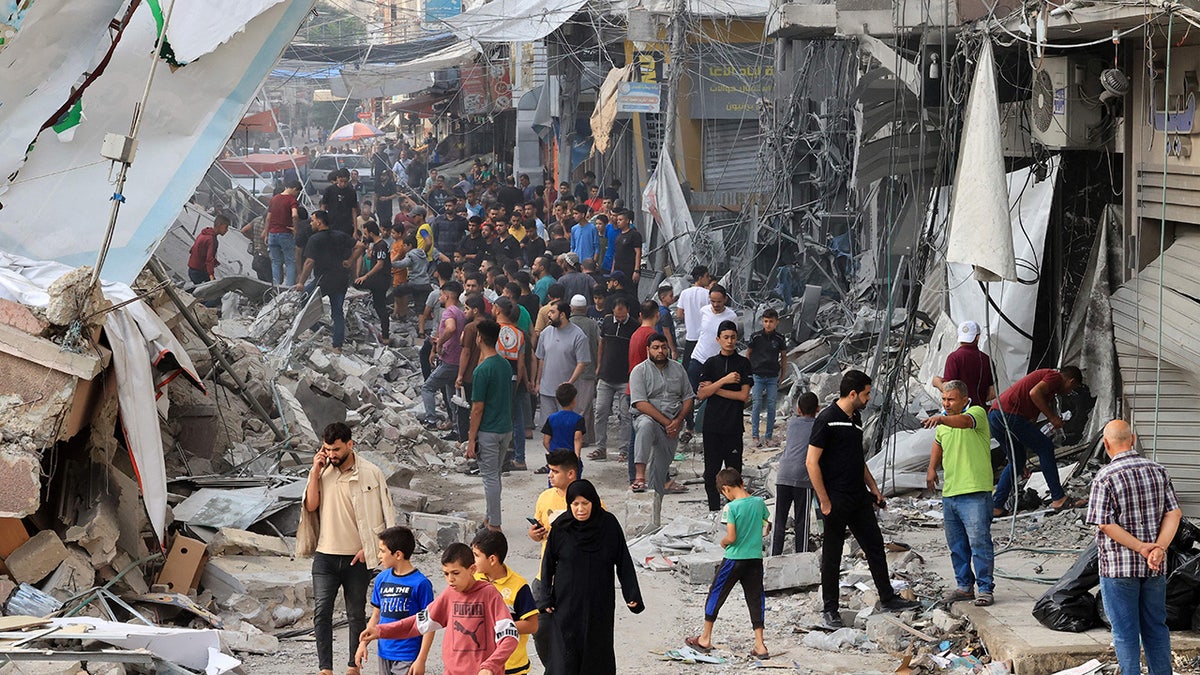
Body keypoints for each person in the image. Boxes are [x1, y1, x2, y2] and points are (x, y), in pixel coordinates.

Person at [807, 370, 920, 628]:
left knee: (875, 547)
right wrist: (824, 500)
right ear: (853, 393)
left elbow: (858, 461)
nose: (869, 399)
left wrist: (875, 490)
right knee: (832, 556)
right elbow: (811, 462)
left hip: (858, 496)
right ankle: (830, 610)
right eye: (867, 393)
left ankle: (887, 597)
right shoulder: (827, 419)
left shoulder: (856, 419)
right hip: (835, 498)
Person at [298, 422, 396, 675]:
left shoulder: (371, 473)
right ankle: (325, 669)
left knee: (355, 615)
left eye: (337, 449)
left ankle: (354, 666)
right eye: (327, 449)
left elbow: (387, 515)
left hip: (357, 559)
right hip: (325, 556)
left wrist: (373, 549)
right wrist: (313, 471)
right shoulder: (322, 471)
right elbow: (310, 506)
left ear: (350, 445)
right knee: (321, 613)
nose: (332, 454)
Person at [1087, 419, 1182, 675]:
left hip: (1119, 570)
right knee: (1156, 628)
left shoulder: (1105, 477)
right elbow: (1174, 513)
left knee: (1125, 633)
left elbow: (1105, 524)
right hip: (1155, 567)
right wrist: (1159, 548)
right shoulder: (1158, 470)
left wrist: (1141, 547)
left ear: (1106, 444)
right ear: (1133, 440)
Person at [358, 543, 519, 675]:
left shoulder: (490, 594)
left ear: (472, 569)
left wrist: (490, 666)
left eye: (455, 573)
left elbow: (510, 637)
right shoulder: (450, 594)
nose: (450, 579)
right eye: (446, 574)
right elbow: (418, 623)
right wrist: (381, 631)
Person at [539, 480, 644, 674]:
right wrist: (545, 596)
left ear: (594, 502)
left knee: (597, 650)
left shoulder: (609, 525)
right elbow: (547, 564)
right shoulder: (561, 528)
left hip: (599, 602)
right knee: (565, 654)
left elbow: (623, 561)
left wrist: (632, 594)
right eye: (575, 504)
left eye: (585, 503)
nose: (580, 509)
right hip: (566, 603)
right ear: (569, 504)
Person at [923, 380, 996, 606]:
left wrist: (941, 418)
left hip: (974, 490)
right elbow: (938, 442)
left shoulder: (976, 413)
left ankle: (985, 588)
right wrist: (931, 467)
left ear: (965, 399)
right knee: (956, 545)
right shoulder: (945, 421)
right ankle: (964, 586)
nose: (946, 404)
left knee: (979, 542)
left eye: (951, 399)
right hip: (951, 491)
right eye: (944, 400)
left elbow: (965, 422)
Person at [685, 468, 771, 659]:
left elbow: (731, 537)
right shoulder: (758, 502)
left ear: (726, 489)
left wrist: (722, 542)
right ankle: (760, 645)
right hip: (755, 559)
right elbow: (767, 523)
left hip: (734, 559)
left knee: (716, 593)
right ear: (741, 482)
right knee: (755, 598)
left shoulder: (730, 508)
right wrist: (762, 532)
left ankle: (705, 638)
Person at [990, 366, 1084, 516]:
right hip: (1009, 414)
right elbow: (1034, 393)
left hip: (996, 415)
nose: (1068, 392)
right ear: (1071, 381)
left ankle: (996, 505)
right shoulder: (1054, 377)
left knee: (1017, 460)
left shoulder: (1050, 390)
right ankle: (1058, 498)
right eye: (1071, 388)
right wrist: (1053, 418)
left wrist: (1027, 447)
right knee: (1045, 447)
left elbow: (1030, 421)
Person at [354, 526, 435, 675]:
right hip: (384, 652)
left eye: (382, 551)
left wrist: (421, 659)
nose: (379, 555)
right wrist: (363, 644)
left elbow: (429, 625)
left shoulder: (421, 584)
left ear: (398, 554)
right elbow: (376, 616)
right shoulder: (381, 579)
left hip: (408, 655)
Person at [526, 450, 578, 666]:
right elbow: (537, 528)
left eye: (555, 471)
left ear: (571, 474)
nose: (550, 475)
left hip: (573, 581)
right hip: (544, 579)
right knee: (542, 630)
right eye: (550, 470)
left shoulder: (586, 501)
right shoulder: (545, 497)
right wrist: (534, 534)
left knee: (572, 633)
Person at [697, 320, 752, 511]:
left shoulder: (743, 363)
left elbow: (743, 396)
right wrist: (725, 381)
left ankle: (734, 510)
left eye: (733, 337)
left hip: (733, 427)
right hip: (712, 427)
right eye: (726, 337)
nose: (729, 341)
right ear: (718, 339)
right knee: (711, 472)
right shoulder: (711, 364)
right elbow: (702, 394)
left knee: (734, 472)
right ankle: (713, 510)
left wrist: (715, 389)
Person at [629, 333, 693, 494]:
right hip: (649, 418)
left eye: (664, 347)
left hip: (673, 423)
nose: (660, 351)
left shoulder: (678, 369)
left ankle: (654, 510)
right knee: (646, 425)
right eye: (656, 348)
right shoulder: (639, 371)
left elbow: (688, 398)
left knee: (659, 473)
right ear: (648, 350)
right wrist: (667, 422)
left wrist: (677, 421)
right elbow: (640, 403)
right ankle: (639, 477)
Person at [471, 530, 539, 675]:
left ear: (492, 559)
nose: (472, 560)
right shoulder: (473, 580)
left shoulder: (518, 586)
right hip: (481, 665)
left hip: (512, 666)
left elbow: (532, 625)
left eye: (476, 556)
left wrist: (498, 627)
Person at [468, 320, 513, 531]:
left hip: (488, 431)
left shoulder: (482, 370)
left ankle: (494, 525)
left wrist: (470, 439)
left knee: (489, 478)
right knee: (495, 476)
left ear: (479, 338)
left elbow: (477, 408)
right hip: (505, 428)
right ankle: (489, 516)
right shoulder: (504, 364)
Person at [295, 210, 359, 353]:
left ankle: (316, 328)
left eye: (312, 220)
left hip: (323, 280)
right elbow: (360, 246)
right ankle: (337, 346)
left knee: (304, 300)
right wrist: (350, 261)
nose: (311, 223)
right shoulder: (341, 235)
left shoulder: (315, 239)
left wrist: (301, 282)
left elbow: (309, 262)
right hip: (341, 279)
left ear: (319, 221)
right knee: (337, 312)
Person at [773, 392, 820, 555]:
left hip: (783, 475)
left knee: (779, 520)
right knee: (802, 520)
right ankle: (802, 555)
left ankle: (774, 555)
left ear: (798, 409)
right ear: (818, 409)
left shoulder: (793, 423)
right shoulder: (818, 425)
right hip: (803, 477)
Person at [590, 298, 635, 463]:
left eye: (622, 313)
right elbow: (602, 344)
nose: (620, 316)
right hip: (606, 377)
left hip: (625, 379)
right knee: (600, 412)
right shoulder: (608, 322)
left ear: (627, 310)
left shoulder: (634, 326)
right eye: (618, 313)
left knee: (625, 416)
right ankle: (600, 447)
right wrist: (599, 366)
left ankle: (624, 450)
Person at [532, 301, 590, 428]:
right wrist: (537, 382)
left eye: (552, 312)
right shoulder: (545, 333)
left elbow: (581, 363)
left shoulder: (579, 336)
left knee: (565, 429)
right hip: (546, 390)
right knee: (548, 430)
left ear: (562, 315)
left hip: (567, 394)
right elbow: (541, 359)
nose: (549, 315)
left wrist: (569, 382)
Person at [687, 284, 737, 426]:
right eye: (712, 301)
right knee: (690, 393)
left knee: (714, 393)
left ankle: (711, 424)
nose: (715, 305)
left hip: (716, 362)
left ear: (725, 299)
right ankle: (690, 426)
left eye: (718, 301)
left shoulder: (731, 316)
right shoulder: (704, 311)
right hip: (698, 357)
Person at [420, 281, 465, 427]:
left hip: (449, 360)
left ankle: (431, 420)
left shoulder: (449, 312)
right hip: (458, 360)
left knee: (427, 387)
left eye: (440, 295)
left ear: (446, 296)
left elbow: (451, 328)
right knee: (452, 395)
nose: (439, 298)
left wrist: (440, 343)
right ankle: (457, 427)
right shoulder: (460, 312)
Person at [746, 308, 788, 446]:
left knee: (771, 406)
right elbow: (748, 354)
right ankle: (755, 436)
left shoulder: (780, 339)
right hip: (757, 375)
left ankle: (768, 436)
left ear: (776, 322)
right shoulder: (755, 337)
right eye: (765, 321)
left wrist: (782, 375)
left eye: (771, 321)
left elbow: (783, 357)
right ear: (762, 322)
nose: (768, 324)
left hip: (772, 377)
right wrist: (747, 373)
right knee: (757, 405)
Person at [933, 320, 996, 407]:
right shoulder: (987, 359)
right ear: (977, 337)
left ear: (959, 336)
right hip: (980, 410)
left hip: (959, 412)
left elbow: (949, 389)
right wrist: (977, 399)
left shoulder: (954, 358)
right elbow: (993, 391)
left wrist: (937, 382)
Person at [352, 222, 392, 344]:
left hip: (380, 279)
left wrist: (365, 276)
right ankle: (385, 335)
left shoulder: (381, 245)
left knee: (380, 306)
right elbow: (375, 260)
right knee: (378, 305)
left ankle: (385, 336)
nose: (365, 236)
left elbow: (380, 264)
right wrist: (369, 255)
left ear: (371, 233)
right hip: (378, 279)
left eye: (365, 233)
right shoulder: (376, 245)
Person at [567, 295, 600, 446]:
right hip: (588, 370)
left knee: (575, 405)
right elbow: (600, 345)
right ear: (586, 308)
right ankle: (586, 437)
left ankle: (581, 436)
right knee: (585, 406)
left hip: (570, 371)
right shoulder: (592, 324)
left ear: (571, 308)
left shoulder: (567, 324)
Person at [542, 383, 586, 471]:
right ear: (574, 400)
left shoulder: (551, 418)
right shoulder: (578, 419)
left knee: (555, 482)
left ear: (558, 401)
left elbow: (546, 441)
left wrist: (554, 453)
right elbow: (577, 438)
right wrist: (576, 457)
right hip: (570, 459)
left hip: (555, 461)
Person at [677, 266, 713, 368]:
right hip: (704, 336)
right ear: (700, 278)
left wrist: (689, 318)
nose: (709, 278)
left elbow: (679, 314)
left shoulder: (685, 293)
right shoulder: (708, 294)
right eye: (707, 276)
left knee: (687, 366)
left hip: (691, 336)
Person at [266, 181, 301, 285]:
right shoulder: (292, 200)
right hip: (285, 233)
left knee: (276, 262)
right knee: (290, 262)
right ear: (295, 189)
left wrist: (267, 232)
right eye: (297, 192)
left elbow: (268, 217)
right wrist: (295, 228)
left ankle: (276, 287)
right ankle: (289, 288)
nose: (297, 195)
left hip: (272, 234)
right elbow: (294, 215)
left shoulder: (274, 199)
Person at [187, 213, 229, 286]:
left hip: (191, 269)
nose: (227, 230)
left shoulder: (204, 233)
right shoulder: (212, 240)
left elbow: (192, 249)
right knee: (213, 291)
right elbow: (209, 259)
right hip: (199, 272)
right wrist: (211, 276)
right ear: (219, 225)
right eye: (226, 227)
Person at [321, 169, 359, 236]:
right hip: (332, 223)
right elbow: (323, 207)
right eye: (341, 181)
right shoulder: (329, 190)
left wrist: (355, 230)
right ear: (337, 178)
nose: (343, 184)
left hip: (346, 225)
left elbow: (354, 211)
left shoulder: (351, 192)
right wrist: (323, 223)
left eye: (345, 182)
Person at [609, 210, 642, 284]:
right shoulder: (619, 236)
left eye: (620, 220)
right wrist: (613, 269)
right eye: (617, 220)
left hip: (629, 269)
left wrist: (636, 270)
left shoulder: (634, 235)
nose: (618, 222)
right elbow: (616, 253)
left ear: (627, 221)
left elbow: (638, 252)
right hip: (618, 269)